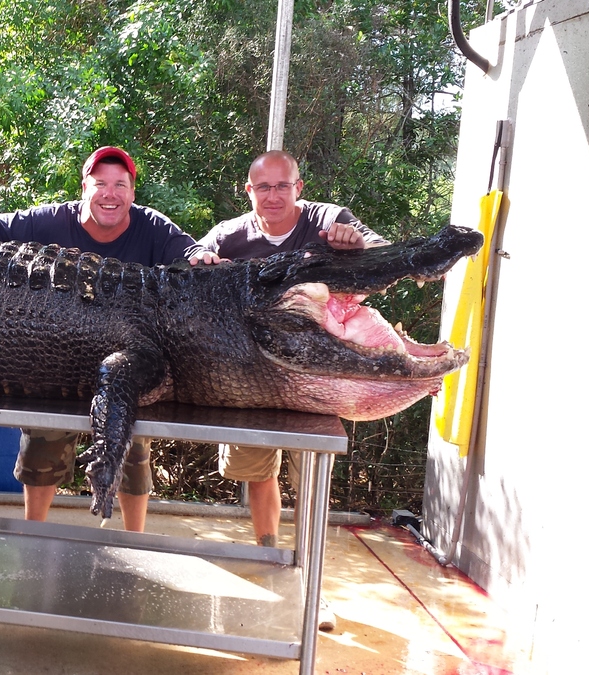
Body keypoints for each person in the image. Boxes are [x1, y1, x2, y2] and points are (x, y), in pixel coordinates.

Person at [189, 149, 388, 631]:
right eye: (264, 187)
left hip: (319, 377)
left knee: (312, 480)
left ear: (299, 187)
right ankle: (270, 558)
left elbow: (384, 259)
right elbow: (189, 258)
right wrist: (203, 259)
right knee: (258, 471)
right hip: (252, 379)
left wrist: (355, 241)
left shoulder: (328, 220)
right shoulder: (231, 233)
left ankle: (312, 583)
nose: (273, 195)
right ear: (249, 191)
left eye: (283, 186)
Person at [0, 146, 197, 532]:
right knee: (41, 450)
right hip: (55, 364)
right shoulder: (52, 219)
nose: (110, 193)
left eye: (120, 184)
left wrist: (205, 256)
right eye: (101, 183)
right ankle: (34, 533)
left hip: (125, 364)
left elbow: (192, 252)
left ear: (132, 193)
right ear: (85, 186)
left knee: (134, 451)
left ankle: (133, 539)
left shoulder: (151, 226)